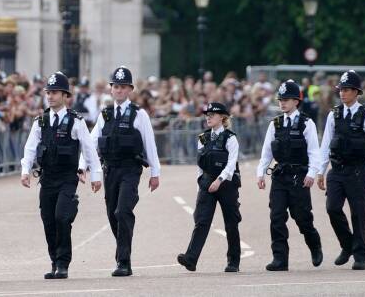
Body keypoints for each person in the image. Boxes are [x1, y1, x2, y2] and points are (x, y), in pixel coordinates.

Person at [21, 71, 102, 280]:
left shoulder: (76, 121)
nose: (50, 96)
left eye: (55, 92)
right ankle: (54, 261)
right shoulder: (41, 121)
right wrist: (24, 171)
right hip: (47, 178)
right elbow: (30, 148)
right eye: (48, 92)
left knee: (61, 217)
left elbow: (88, 149)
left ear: (65, 95)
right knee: (48, 220)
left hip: (67, 178)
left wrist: (96, 175)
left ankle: (63, 262)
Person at [90, 66, 161, 277]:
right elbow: (92, 141)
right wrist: (83, 166)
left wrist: (155, 172)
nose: (119, 91)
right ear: (111, 89)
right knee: (113, 215)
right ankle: (124, 251)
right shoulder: (105, 115)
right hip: (110, 170)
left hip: (130, 170)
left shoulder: (139, 114)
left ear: (130, 89)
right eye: (116, 87)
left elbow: (150, 143)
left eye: (123, 87)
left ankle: (123, 261)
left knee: (123, 211)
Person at [317, 70, 365, 270]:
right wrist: (321, 171)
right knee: (332, 208)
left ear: (356, 92)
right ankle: (347, 245)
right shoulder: (333, 114)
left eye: (346, 90)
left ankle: (360, 256)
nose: (342, 93)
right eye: (341, 90)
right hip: (337, 171)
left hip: (358, 171)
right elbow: (326, 145)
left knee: (358, 213)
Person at [257, 80, 322, 271]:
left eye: (286, 100)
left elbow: (314, 152)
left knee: (302, 217)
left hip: (299, 176)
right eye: (280, 100)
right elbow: (267, 152)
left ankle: (314, 245)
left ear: (296, 101)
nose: (282, 103)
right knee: (276, 216)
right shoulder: (274, 124)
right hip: (280, 176)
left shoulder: (306, 123)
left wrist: (312, 173)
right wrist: (260, 173)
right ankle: (280, 258)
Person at [177, 102, 242, 273]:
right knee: (202, 221)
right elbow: (200, 163)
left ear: (222, 117)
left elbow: (231, 165)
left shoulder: (230, 138)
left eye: (213, 114)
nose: (209, 117)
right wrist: (201, 181)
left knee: (231, 222)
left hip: (226, 184)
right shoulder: (202, 138)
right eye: (207, 114)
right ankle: (190, 259)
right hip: (207, 183)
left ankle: (233, 261)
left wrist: (219, 180)